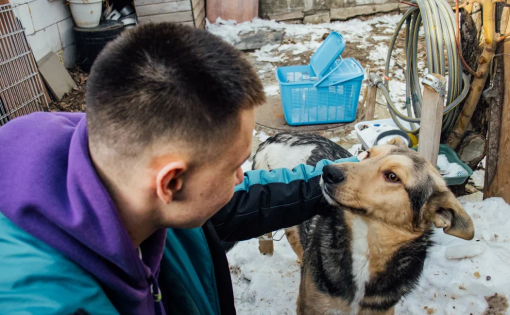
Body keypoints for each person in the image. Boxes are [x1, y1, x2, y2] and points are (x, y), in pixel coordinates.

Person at [0, 23, 357, 315]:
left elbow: (241, 200)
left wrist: (345, 177)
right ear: (170, 182)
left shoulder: (119, 159)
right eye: (235, 166)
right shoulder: (50, 303)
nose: (240, 177)